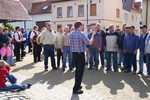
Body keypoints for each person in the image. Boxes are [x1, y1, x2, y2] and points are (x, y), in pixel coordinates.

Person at [70, 21, 95, 94]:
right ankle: (76, 89)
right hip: (80, 55)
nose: (83, 27)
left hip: (74, 54)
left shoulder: (71, 34)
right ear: (80, 26)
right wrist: (93, 35)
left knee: (77, 71)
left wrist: (83, 47)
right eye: (82, 26)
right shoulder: (81, 33)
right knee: (80, 72)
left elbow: (73, 44)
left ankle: (77, 85)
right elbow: (90, 42)